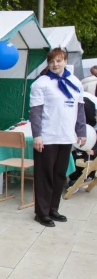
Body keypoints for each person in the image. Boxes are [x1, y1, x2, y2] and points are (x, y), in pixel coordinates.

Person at [30, 48, 86, 227]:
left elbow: (80, 110)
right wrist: (37, 135)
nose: (55, 64)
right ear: (48, 63)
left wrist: (81, 132)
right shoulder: (41, 83)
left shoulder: (75, 82)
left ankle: (53, 209)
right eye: (52, 61)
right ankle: (41, 212)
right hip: (47, 136)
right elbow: (36, 112)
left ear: (65, 61)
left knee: (59, 175)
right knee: (44, 176)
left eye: (59, 61)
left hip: (66, 136)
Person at [69, 93, 96, 189]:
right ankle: (74, 177)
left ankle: (84, 176)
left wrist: (94, 151)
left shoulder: (92, 129)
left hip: (90, 154)